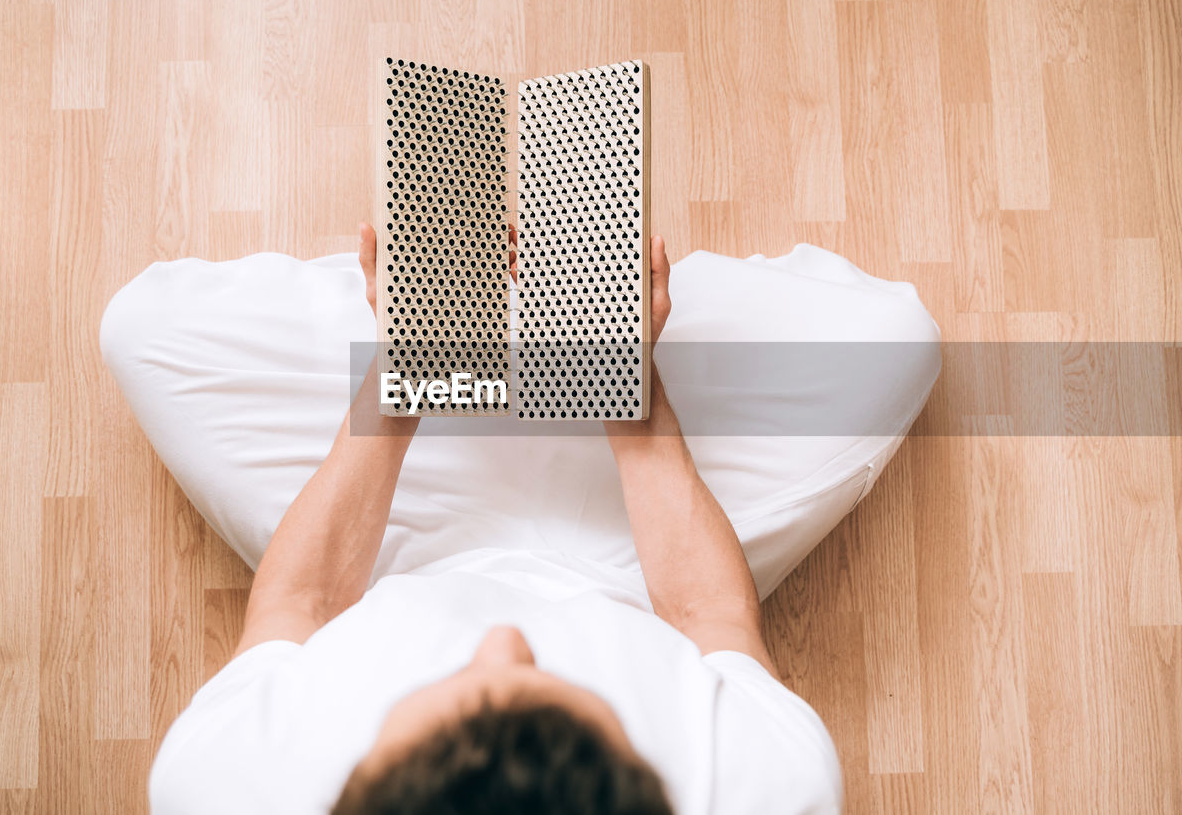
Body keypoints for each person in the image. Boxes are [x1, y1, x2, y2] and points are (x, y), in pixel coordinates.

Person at [100, 223, 941, 814]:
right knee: (899, 339)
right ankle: (554, 310)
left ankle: (459, 311)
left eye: (461, 690)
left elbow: (300, 603)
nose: (505, 639)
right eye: (553, 688)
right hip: (633, 565)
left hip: (387, 552)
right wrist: (624, 378)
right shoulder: (768, 794)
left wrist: (409, 362)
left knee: (141, 328)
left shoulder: (224, 787)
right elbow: (708, 614)